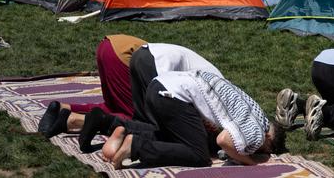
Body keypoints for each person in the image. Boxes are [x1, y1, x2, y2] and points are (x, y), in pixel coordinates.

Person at [38, 38, 223, 151]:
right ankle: (89, 121)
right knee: (137, 118)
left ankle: (67, 113)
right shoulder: (218, 97)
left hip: (112, 47)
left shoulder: (216, 83)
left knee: (114, 106)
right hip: (125, 55)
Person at [100, 70, 286, 169]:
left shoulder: (252, 108)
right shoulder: (258, 131)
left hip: (158, 86)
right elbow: (223, 141)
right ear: (269, 140)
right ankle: (135, 147)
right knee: (199, 155)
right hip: (173, 95)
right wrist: (250, 162)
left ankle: (127, 133)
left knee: (177, 140)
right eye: (266, 150)